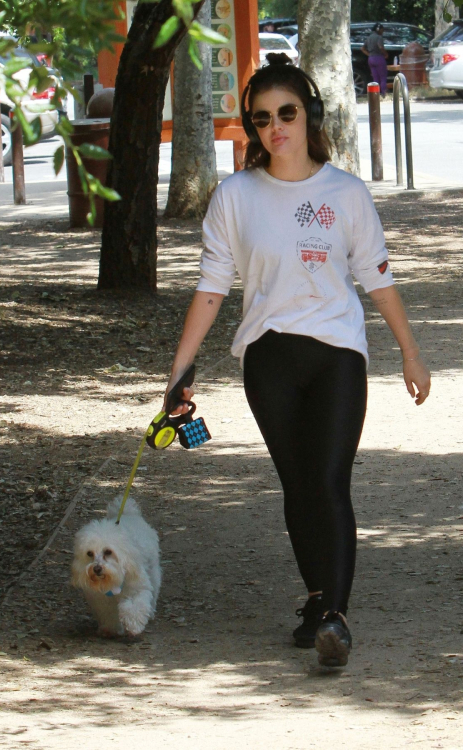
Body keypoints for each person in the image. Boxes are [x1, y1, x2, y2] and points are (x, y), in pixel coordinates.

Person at [164, 53, 430, 668]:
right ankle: (317, 599)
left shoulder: (346, 192)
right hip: (269, 358)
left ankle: (335, 616)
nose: (275, 127)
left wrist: (411, 354)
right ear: (253, 128)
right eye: (261, 119)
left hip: (338, 352)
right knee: (298, 482)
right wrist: (178, 373)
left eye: (287, 113)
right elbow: (210, 288)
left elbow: (378, 278)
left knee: (330, 479)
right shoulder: (234, 196)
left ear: (308, 114)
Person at [362, 23, 389, 96]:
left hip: (371, 59)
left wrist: (369, 54)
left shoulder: (369, 37)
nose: (382, 32)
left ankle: (375, 94)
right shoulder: (379, 37)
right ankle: (383, 93)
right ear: (378, 29)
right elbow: (380, 47)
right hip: (379, 58)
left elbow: (363, 48)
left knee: (375, 78)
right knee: (383, 77)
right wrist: (385, 54)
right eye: (382, 30)